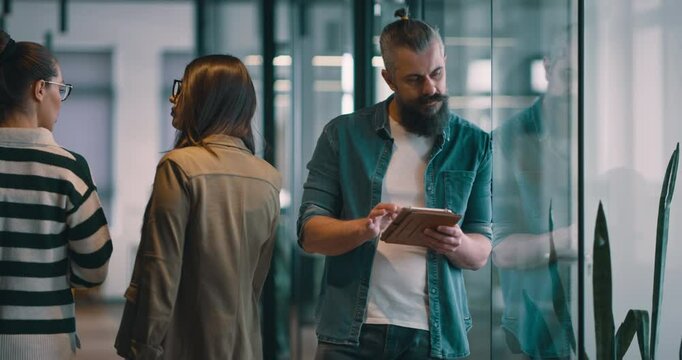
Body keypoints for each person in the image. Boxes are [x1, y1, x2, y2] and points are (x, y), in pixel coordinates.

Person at [297, 9, 493, 359]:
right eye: (415, 80)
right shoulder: (342, 135)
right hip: (351, 335)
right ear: (389, 79)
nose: (431, 88)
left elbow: (481, 250)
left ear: (445, 61)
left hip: (436, 337)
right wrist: (364, 228)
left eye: (437, 73)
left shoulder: (474, 143)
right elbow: (309, 231)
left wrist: (457, 242)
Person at [114, 54, 281, 360]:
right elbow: (256, 279)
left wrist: (144, 346)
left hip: (182, 342)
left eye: (182, 88)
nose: (172, 97)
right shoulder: (269, 177)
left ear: (206, 98)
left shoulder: (179, 166)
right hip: (243, 344)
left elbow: (161, 267)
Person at [0, 31, 113, 359]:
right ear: (40, 89)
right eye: (59, 90)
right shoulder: (67, 168)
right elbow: (95, 268)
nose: (60, 101)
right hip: (45, 344)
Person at [491, 26, 577, 359]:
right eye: (568, 74)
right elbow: (502, 250)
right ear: (547, 67)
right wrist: (568, 240)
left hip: (605, 320)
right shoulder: (509, 140)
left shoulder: (608, 130)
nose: (577, 88)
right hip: (537, 327)